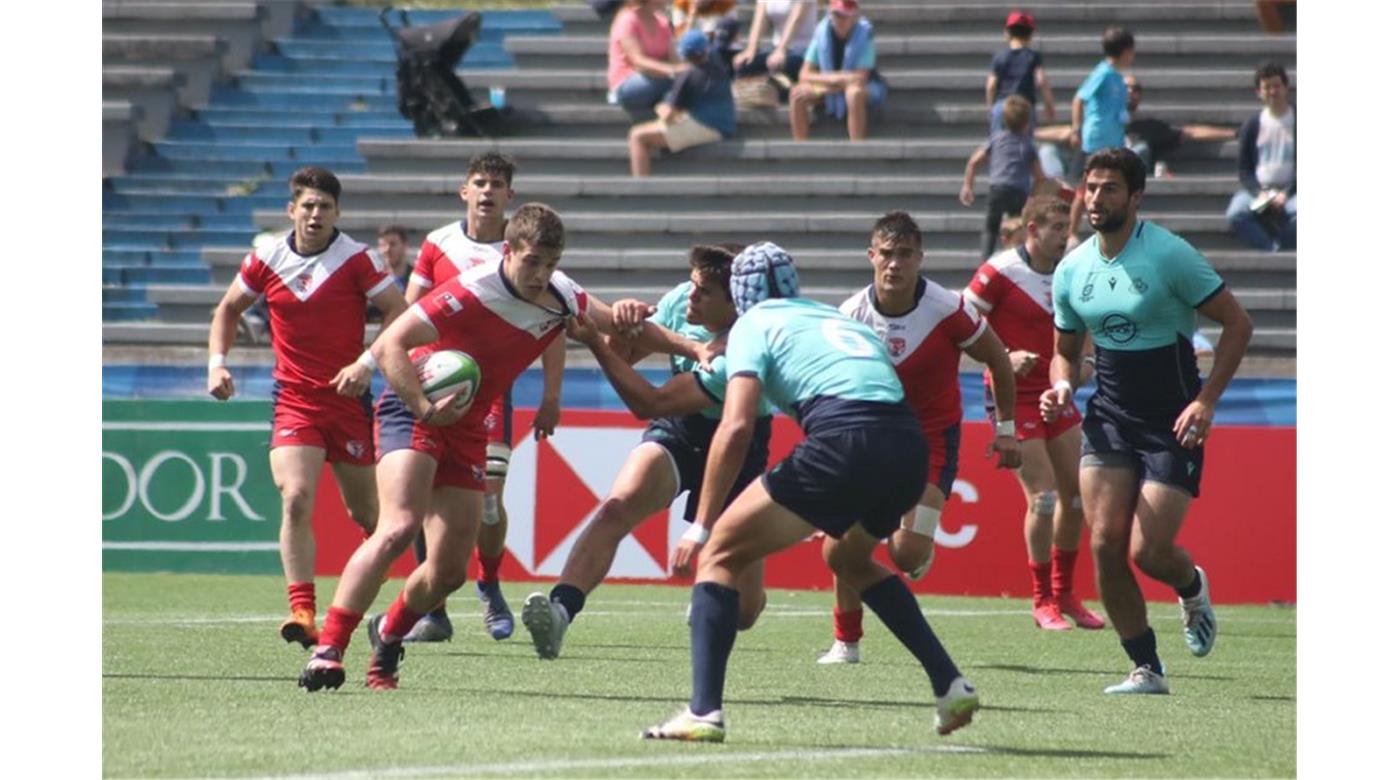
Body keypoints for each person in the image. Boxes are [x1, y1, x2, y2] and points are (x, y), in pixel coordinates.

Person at [297, 204, 662, 692]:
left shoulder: (559, 295)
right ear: (509, 252)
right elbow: (389, 348)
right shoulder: (472, 289)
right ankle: (329, 650)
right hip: (415, 406)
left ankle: (387, 635)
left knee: (448, 573)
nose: (541, 275)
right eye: (532, 262)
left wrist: (696, 348)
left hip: (468, 424)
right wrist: (425, 408)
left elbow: (619, 325)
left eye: (550, 265)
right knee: (398, 527)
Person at [640, 242, 982, 741]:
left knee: (719, 554)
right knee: (848, 557)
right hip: (908, 447)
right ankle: (949, 683)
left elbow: (735, 428)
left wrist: (702, 523)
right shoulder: (834, 316)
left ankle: (703, 711)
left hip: (845, 439)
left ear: (741, 294)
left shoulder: (752, 326)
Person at [1041, 148, 1253, 695]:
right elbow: (1064, 350)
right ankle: (1146, 668)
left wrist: (1206, 401)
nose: (1096, 198)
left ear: (1136, 197)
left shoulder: (1169, 255)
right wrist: (1062, 383)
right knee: (1105, 544)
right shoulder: (1072, 268)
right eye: (1090, 187)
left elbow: (1238, 324)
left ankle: (1189, 584)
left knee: (1146, 551)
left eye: (1110, 188)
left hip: (1171, 421)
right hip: (1109, 415)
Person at [520, 245, 774, 660]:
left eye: (703, 292)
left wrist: (599, 347)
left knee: (744, 611)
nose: (689, 297)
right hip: (680, 431)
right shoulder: (679, 300)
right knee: (617, 507)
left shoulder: (744, 347)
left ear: (734, 302)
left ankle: (733, 596)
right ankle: (560, 611)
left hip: (736, 441)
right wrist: (625, 323)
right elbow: (625, 354)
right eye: (691, 286)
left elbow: (649, 403)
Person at [206, 166, 407, 649]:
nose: (316, 214)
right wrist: (217, 363)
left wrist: (365, 363)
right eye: (308, 206)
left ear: (338, 213)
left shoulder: (356, 260)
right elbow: (228, 309)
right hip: (294, 401)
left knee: (372, 520)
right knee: (295, 496)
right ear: (291, 210)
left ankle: (362, 586)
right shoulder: (267, 256)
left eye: (325, 207)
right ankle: (303, 610)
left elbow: (399, 314)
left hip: (347, 400)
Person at [816, 213, 1021, 665]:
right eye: (886, 254)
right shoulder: (849, 316)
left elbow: (999, 361)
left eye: (905, 254)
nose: (894, 264)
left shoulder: (949, 309)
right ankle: (846, 642)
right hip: (869, 442)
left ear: (920, 258)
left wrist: (1005, 431)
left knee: (906, 556)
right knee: (845, 543)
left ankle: (915, 552)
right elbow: (830, 390)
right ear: (871, 256)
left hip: (930, 442)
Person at [398, 153, 563, 645]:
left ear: (510, 196)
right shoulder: (437, 245)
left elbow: (553, 325)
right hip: (437, 381)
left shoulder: (525, 253)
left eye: (497, 184)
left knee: (489, 501)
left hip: (490, 390)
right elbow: (408, 315)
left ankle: (489, 583)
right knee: (426, 501)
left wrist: (551, 394)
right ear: (463, 191)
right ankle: (435, 611)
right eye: (479, 182)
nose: (487, 191)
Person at [965, 196, 1106, 632]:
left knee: (1077, 500)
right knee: (1043, 499)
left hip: (1057, 396)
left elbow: (1085, 343)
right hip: (1012, 396)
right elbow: (960, 327)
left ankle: (1066, 593)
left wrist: (1081, 370)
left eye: (1067, 227)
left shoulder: (1076, 271)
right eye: (1056, 227)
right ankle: (1042, 598)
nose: (1064, 235)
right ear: (1031, 229)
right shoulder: (999, 272)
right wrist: (1003, 357)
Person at [628, 30, 737, 177]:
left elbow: (668, 115)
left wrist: (658, 107)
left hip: (708, 125)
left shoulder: (687, 75)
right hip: (726, 122)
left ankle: (640, 189)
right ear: (706, 49)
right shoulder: (719, 67)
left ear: (684, 54)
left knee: (637, 136)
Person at [960, 94, 1046, 262]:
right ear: (1027, 122)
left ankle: (985, 260)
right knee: (1018, 226)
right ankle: (1018, 258)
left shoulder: (997, 138)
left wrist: (968, 186)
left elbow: (973, 162)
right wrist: (1035, 196)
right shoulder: (1028, 145)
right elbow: (1040, 176)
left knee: (991, 227)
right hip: (1019, 190)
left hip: (998, 188)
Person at [1067, 27, 1135, 237]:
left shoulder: (1117, 77)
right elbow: (1080, 98)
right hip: (1096, 140)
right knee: (1085, 187)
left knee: (1113, 185)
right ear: (1125, 51)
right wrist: (1076, 129)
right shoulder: (1102, 73)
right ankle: (1071, 232)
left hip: (1113, 142)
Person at [789, 0, 886, 142]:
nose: (840, 20)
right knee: (797, 94)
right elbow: (804, 74)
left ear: (854, 16)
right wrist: (834, 80)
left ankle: (857, 149)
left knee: (854, 93)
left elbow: (860, 78)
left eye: (845, 16)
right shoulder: (821, 32)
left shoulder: (865, 34)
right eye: (836, 15)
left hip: (866, 85)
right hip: (832, 84)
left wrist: (831, 82)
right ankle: (799, 150)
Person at [1224, 62, 1296, 252]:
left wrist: (1286, 193)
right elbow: (1244, 170)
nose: (1273, 91)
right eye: (1267, 87)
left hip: (1292, 191)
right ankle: (1272, 250)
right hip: (1260, 191)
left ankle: (1284, 247)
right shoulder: (1252, 125)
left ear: (1285, 87)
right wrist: (1259, 192)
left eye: (1276, 86)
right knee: (1235, 213)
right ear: (1259, 92)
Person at [608, 0, 682, 121]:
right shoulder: (627, 20)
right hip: (627, 83)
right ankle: (667, 104)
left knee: (686, 82)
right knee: (674, 84)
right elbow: (638, 61)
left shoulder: (663, 23)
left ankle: (665, 106)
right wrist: (671, 70)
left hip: (658, 79)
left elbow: (675, 60)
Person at [987, 10, 1055, 131]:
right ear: (1030, 35)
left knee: (999, 144)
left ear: (1007, 33)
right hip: (1024, 108)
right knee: (1024, 143)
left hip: (1003, 106)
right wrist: (1049, 105)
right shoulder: (1033, 56)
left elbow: (991, 86)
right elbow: (1042, 81)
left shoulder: (999, 57)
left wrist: (991, 108)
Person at [730, 0, 816, 89]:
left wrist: (781, 50)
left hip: (803, 48)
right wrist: (750, 50)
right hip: (776, 48)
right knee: (744, 65)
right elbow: (759, 20)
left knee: (783, 66)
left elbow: (796, 19)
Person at [376, 224, 411, 290]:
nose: (387, 249)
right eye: (383, 245)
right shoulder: (375, 280)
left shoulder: (416, 279)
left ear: (405, 246)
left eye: (393, 244)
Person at [671, 0, 737, 36]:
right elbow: (681, 39)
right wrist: (691, 16)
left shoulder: (726, 3)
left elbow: (731, 36)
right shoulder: (681, 3)